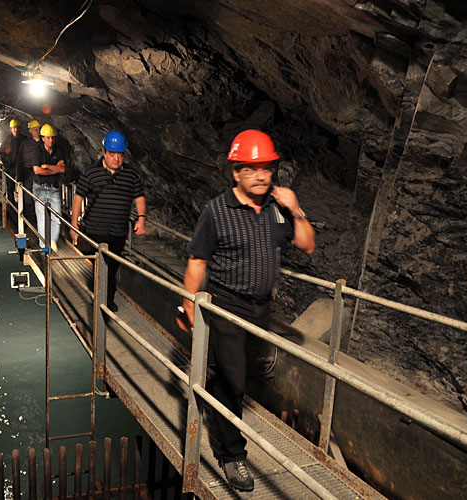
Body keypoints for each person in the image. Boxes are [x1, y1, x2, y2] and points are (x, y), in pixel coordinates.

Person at [177, 129, 315, 492]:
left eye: (266, 168)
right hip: (226, 304)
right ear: (235, 172)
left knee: (238, 375)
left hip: (261, 308)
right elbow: (197, 261)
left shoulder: (277, 208)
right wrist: (190, 305)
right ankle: (231, 454)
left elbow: (307, 245)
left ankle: (214, 395)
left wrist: (295, 208)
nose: (261, 175)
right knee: (236, 379)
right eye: (251, 168)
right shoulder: (216, 211)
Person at [70, 130, 146, 312]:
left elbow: (139, 197)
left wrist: (141, 218)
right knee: (100, 264)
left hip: (119, 230)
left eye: (120, 155)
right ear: (104, 152)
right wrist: (74, 223)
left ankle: (107, 300)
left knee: (112, 267)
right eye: (112, 154)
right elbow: (79, 197)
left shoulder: (132, 175)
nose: (116, 159)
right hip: (96, 229)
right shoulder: (91, 173)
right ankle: (99, 298)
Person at [32, 124, 66, 251]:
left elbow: (62, 169)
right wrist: (55, 169)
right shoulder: (37, 150)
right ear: (43, 138)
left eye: (52, 138)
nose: (51, 140)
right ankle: (43, 246)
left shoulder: (59, 150)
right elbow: (37, 170)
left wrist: (46, 166)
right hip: (39, 188)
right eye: (48, 138)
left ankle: (52, 241)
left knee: (57, 217)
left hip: (54, 188)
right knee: (41, 219)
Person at [18, 119, 42, 225]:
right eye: (34, 129)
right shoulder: (25, 143)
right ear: (30, 131)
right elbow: (20, 160)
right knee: (27, 197)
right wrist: (18, 178)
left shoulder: (45, 142)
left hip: (41, 173)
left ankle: (40, 218)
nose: (36, 131)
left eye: (38, 129)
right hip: (28, 172)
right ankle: (30, 220)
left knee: (40, 197)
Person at [0, 119, 26, 197]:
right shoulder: (7, 140)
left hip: (21, 167)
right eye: (14, 128)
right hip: (10, 167)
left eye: (17, 127)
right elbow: (2, 152)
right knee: (10, 187)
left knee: (22, 186)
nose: (16, 129)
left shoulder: (24, 139)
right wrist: (6, 165)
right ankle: (11, 206)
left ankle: (22, 205)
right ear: (11, 129)